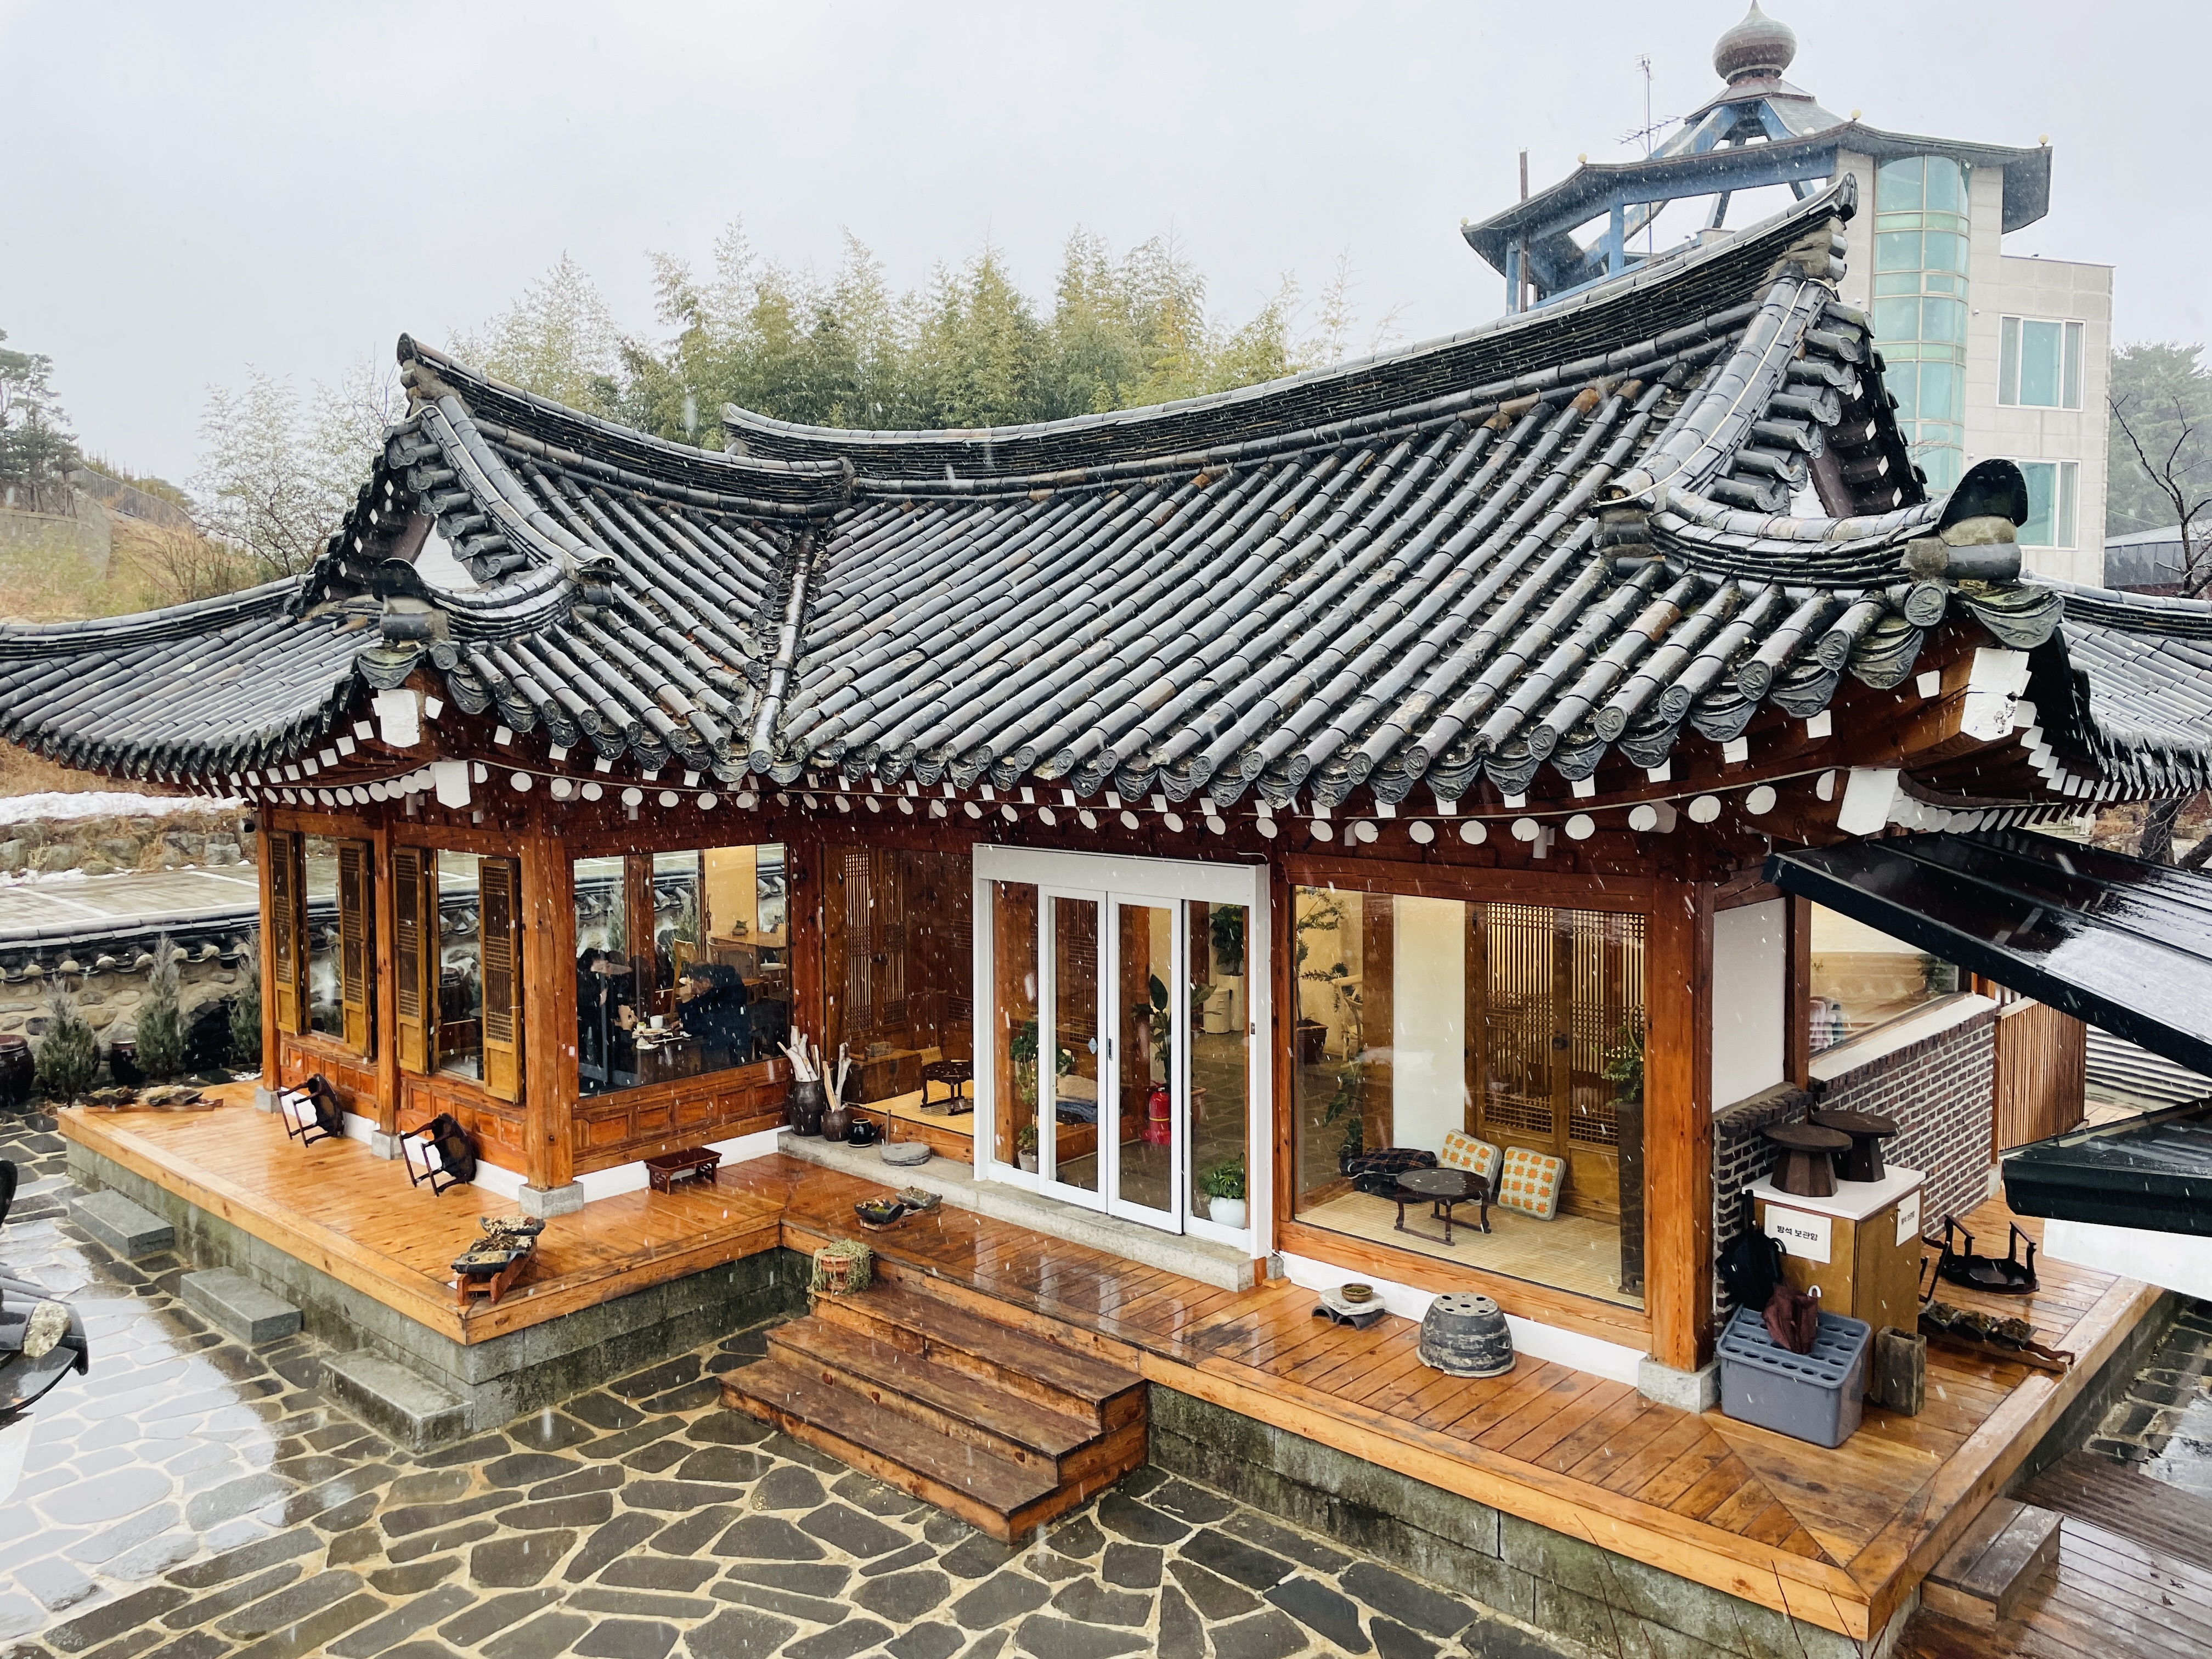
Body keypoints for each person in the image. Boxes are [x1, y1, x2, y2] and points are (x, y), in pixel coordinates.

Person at [676, 962, 751, 1069]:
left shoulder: (723, 996)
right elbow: (703, 1010)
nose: (692, 987)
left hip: (727, 1049)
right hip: (731, 1042)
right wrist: (685, 1021)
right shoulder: (719, 987)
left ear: (706, 982)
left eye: (693, 982)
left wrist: (686, 1000)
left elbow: (699, 1026)